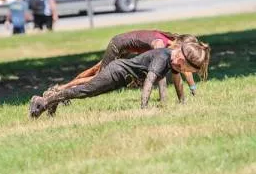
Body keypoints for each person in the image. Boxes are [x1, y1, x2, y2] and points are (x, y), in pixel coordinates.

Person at [29, 41, 211, 118]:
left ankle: (52, 100)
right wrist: (144, 107)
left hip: (119, 78)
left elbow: (178, 83)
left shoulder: (172, 63)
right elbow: (149, 81)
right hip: (116, 72)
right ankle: (43, 100)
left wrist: (184, 100)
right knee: (86, 90)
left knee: (86, 92)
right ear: (182, 59)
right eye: (189, 69)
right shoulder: (162, 57)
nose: (188, 72)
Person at [45, 31, 199, 102]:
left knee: (94, 72)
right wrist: (163, 99)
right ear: (180, 44)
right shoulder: (161, 45)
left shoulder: (172, 50)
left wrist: (192, 91)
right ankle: (59, 90)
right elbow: (159, 75)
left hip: (126, 50)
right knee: (97, 78)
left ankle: (61, 89)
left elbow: (182, 73)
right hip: (118, 45)